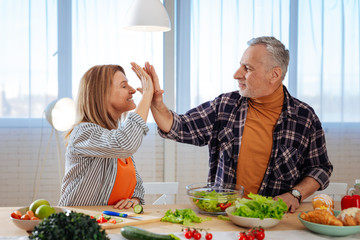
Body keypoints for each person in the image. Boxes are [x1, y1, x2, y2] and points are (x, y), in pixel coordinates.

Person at [145, 36, 333, 213]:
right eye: (240, 66)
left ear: (274, 75)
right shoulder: (225, 105)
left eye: (247, 68)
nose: (237, 75)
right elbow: (179, 127)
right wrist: (156, 103)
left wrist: (296, 194)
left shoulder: (304, 117)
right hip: (225, 216)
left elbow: (320, 168)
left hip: (276, 219)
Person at [58, 62, 153, 209]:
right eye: (124, 86)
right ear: (102, 94)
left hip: (106, 224)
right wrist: (147, 94)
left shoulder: (115, 138)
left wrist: (135, 199)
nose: (133, 90)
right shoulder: (83, 133)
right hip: (77, 224)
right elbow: (126, 143)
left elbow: (137, 186)